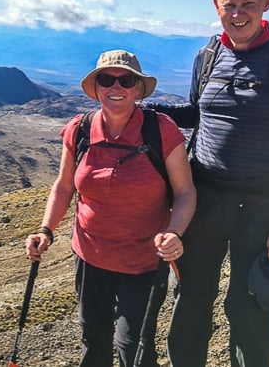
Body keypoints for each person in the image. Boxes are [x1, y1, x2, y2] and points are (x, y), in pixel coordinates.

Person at [149, 0, 269, 367]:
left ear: (268, 2)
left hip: (262, 209)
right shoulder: (207, 56)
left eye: (249, 3)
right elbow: (197, 112)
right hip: (204, 199)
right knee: (190, 299)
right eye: (230, 4)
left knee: (250, 308)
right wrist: (140, 111)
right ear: (216, 5)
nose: (238, 12)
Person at [25, 49, 196, 367]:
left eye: (126, 80)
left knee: (133, 347)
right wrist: (45, 229)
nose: (116, 87)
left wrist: (175, 232)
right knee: (93, 339)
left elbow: (185, 192)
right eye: (106, 79)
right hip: (90, 258)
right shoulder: (80, 130)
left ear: (138, 88)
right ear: (96, 87)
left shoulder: (160, 131)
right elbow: (64, 187)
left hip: (144, 262)